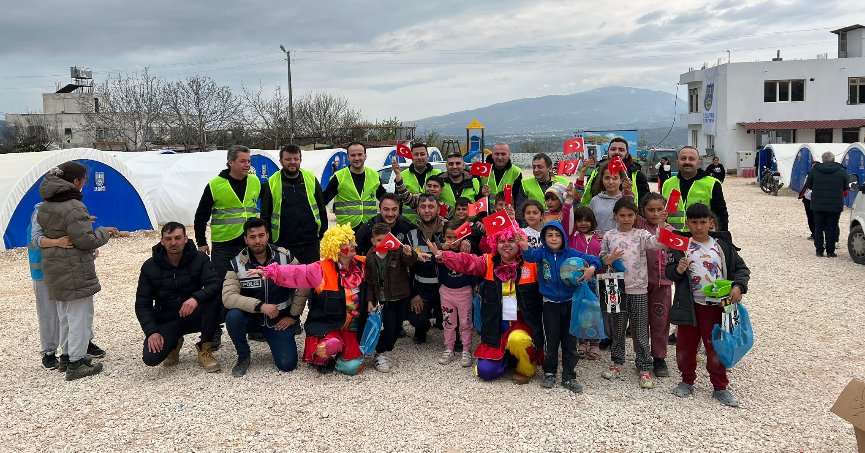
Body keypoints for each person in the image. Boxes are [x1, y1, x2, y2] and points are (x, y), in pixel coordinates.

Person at [249, 224, 368, 375]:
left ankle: (342, 357)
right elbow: (296, 272)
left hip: (352, 328)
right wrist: (270, 271)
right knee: (329, 346)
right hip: (327, 325)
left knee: (352, 369)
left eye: (352, 240)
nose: (352, 245)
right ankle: (323, 358)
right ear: (335, 248)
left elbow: (381, 265)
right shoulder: (320, 269)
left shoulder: (363, 264)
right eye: (346, 243)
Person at [430, 227, 544, 384]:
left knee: (519, 340)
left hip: (521, 322)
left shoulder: (531, 264)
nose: (506, 245)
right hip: (496, 324)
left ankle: (526, 367)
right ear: (495, 244)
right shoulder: (488, 261)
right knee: (485, 372)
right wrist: (444, 255)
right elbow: (466, 261)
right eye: (501, 241)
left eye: (511, 240)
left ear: (519, 243)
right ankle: (509, 358)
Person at [38, 162, 116, 380]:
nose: (84, 184)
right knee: (80, 316)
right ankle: (76, 363)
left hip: (55, 269)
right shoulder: (73, 206)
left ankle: (67, 356)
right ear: (75, 181)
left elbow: (63, 229)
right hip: (74, 270)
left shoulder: (45, 205)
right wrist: (103, 232)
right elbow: (84, 240)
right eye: (84, 180)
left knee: (64, 315)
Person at [666, 203, 750, 407]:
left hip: (718, 307)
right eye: (694, 222)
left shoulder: (722, 245)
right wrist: (678, 269)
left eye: (703, 222)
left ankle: (720, 386)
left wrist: (738, 287)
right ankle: (687, 380)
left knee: (716, 346)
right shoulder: (681, 246)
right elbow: (668, 273)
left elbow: (741, 269)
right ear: (688, 223)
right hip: (690, 305)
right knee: (685, 345)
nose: (698, 227)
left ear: (710, 223)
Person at [194, 145, 267, 347]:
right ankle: (213, 332)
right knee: (219, 288)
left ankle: (252, 328)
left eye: (249, 161)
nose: (247, 165)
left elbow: (267, 206)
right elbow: (201, 215)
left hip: (249, 245)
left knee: (251, 286)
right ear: (230, 162)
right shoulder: (215, 185)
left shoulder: (255, 182)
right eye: (242, 161)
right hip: (224, 245)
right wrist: (201, 242)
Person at [519, 222, 601, 392]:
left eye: (557, 235)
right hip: (549, 305)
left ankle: (569, 376)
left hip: (570, 303)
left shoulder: (571, 253)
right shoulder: (541, 253)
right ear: (544, 238)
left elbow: (594, 260)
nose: (554, 238)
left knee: (570, 341)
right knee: (551, 340)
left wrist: (591, 268)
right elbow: (529, 257)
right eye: (549, 235)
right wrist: (525, 246)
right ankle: (549, 373)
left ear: (563, 236)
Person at [222, 218, 307, 376]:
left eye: (261, 235)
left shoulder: (285, 257)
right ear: (245, 239)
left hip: (278, 320)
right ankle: (243, 356)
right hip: (251, 318)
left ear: (268, 236)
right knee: (233, 317)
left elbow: (304, 282)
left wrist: (293, 316)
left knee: (287, 364)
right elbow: (228, 297)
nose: (257, 241)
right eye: (252, 237)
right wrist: (260, 306)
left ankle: (276, 339)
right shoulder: (236, 264)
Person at [135, 222, 222, 372]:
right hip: (167, 318)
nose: (173, 243)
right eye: (168, 239)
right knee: (151, 358)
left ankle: (205, 347)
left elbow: (215, 284)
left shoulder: (200, 259)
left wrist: (196, 298)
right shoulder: (150, 266)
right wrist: (152, 332)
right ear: (162, 241)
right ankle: (174, 344)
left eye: (177, 238)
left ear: (186, 239)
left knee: (213, 301)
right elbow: (142, 304)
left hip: (193, 314)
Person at [599, 198, 666, 389]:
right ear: (615, 216)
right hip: (614, 286)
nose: (626, 218)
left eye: (630, 215)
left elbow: (658, 244)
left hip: (638, 287)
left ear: (636, 216)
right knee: (617, 327)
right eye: (622, 215)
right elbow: (602, 258)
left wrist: (661, 224)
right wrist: (607, 259)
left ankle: (644, 365)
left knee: (640, 328)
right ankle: (617, 362)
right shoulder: (609, 236)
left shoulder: (641, 234)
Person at [260, 144, 327, 264]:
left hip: (310, 243)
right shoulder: (270, 183)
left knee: (311, 280)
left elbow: (321, 208)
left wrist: (323, 233)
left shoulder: (311, 179)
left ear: (300, 160)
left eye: (296, 159)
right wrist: (269, 241)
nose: (292, 162)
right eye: (288, 159)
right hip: (283, 244)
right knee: (287, 281)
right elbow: (265, 215)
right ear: (281, 161)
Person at [365, 223, 418, 372]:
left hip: (401, 297)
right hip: (383, 300)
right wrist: (370, 300)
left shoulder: (397, 251)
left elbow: (410, 261)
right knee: (389, 327)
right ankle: (381, 352)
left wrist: (410, 253)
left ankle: (386, 350)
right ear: (373, 241)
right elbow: (369, 282)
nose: (383, 243)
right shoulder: (370, 257)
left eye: (385, 239)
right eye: (379, 240)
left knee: (397, 327)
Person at [28, 202, 73, 370]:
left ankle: (73, 348)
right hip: (43, 271)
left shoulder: (66, 206)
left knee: (70, 310)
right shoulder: (40, 212)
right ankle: (49, 352)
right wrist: (58, 242)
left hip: (62, 267)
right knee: (48, 312)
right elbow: (37, 239)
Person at [635, 193, 675, 377]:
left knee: (660, 321)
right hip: (640, 283)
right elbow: (628, 205)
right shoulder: (639, 226)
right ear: (643, 211)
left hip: (662, 283)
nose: (656, 213)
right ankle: (641, 355)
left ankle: (659, 357)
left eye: (660, 209)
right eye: (651, 209)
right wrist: (628, 191)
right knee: (639, 321)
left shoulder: (671, 230)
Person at [405, 194, 448, 344]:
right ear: (417, 210)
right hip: (423, 292)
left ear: (438, 209)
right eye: (423, 207)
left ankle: (446, 324)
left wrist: (467, 241)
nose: (427, 211)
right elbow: (406, 270)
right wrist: (413, 295)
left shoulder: (448, 232)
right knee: (417, 318)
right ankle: (422, 327)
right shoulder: (411, 236)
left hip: (447, 290)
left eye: (431, 207)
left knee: (454, 318)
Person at [436, 219, 478, 367]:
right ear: (443, 237)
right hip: (446, 292)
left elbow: (474, 268)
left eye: (456, 237)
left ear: (463, 237)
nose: (453, 241)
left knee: (466, 323)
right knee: (448, 322)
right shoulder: (441, 252)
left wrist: (475, 285)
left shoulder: (466, 251)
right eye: (449, 237)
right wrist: (441, 250)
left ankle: (466, 350)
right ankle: (449, 348)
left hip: (464, 291)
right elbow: (432, 263)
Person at [323, 141, 388, 230]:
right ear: (348, 157)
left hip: (369, 228)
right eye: (353, 155)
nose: (357, 158)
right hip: (346, 230)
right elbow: (323, 201)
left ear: (365, 156)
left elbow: (386, 199)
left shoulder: (374, 175)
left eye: (360, 154)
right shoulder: (338, 177)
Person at [662, 146, 729, 232]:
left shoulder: (712, 184)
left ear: (698, 162)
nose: (687, 162)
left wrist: (722, 238)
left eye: (691, 159)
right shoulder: (668, 184)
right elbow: (662, 215)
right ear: (677, 162)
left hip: (700, 240)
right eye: (683, 158)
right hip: (673, 240)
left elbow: (721, 214)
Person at [580, 138, 650, 206]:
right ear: (608, 152)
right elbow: (587, 198)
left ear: (627, 154)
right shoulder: (596, 173)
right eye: (613, 149)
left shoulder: (638, 175)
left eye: (621, 150)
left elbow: (645, 203)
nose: (616, 152)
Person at [806, 151, 848, 257]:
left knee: (818, 227)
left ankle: (819, 251)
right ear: (833, 159)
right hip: (835, 204)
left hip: (818, 204)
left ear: (822, 160)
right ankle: (830, 251)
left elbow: (809, 185)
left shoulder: (814, 170)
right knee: (832, 227)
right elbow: (845, 187)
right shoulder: (842, 171)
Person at [394, 142, 442, 223]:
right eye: (416, 154)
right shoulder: (401, 176)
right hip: (408, 224)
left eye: (422, 154)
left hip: (433, 224)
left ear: (428, 156)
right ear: (411, 156)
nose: (419, 157)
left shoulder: (438, 174)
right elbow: (397, 202)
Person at [589, 159, 635, 234]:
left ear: (621, 180)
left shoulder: (626, 199)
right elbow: (590, 223)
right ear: (602, 179)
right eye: (607, 178)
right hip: (598, 242)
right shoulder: (595, 200)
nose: (610, 182)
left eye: (615, 178)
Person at [798, 162, 817, 240]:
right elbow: (805, 186)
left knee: (815, 217)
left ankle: (817, 234)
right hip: (808, 198)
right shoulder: (808, 175)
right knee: (810, 217)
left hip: (815, 199)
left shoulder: (819, 176)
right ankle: (814, 233)